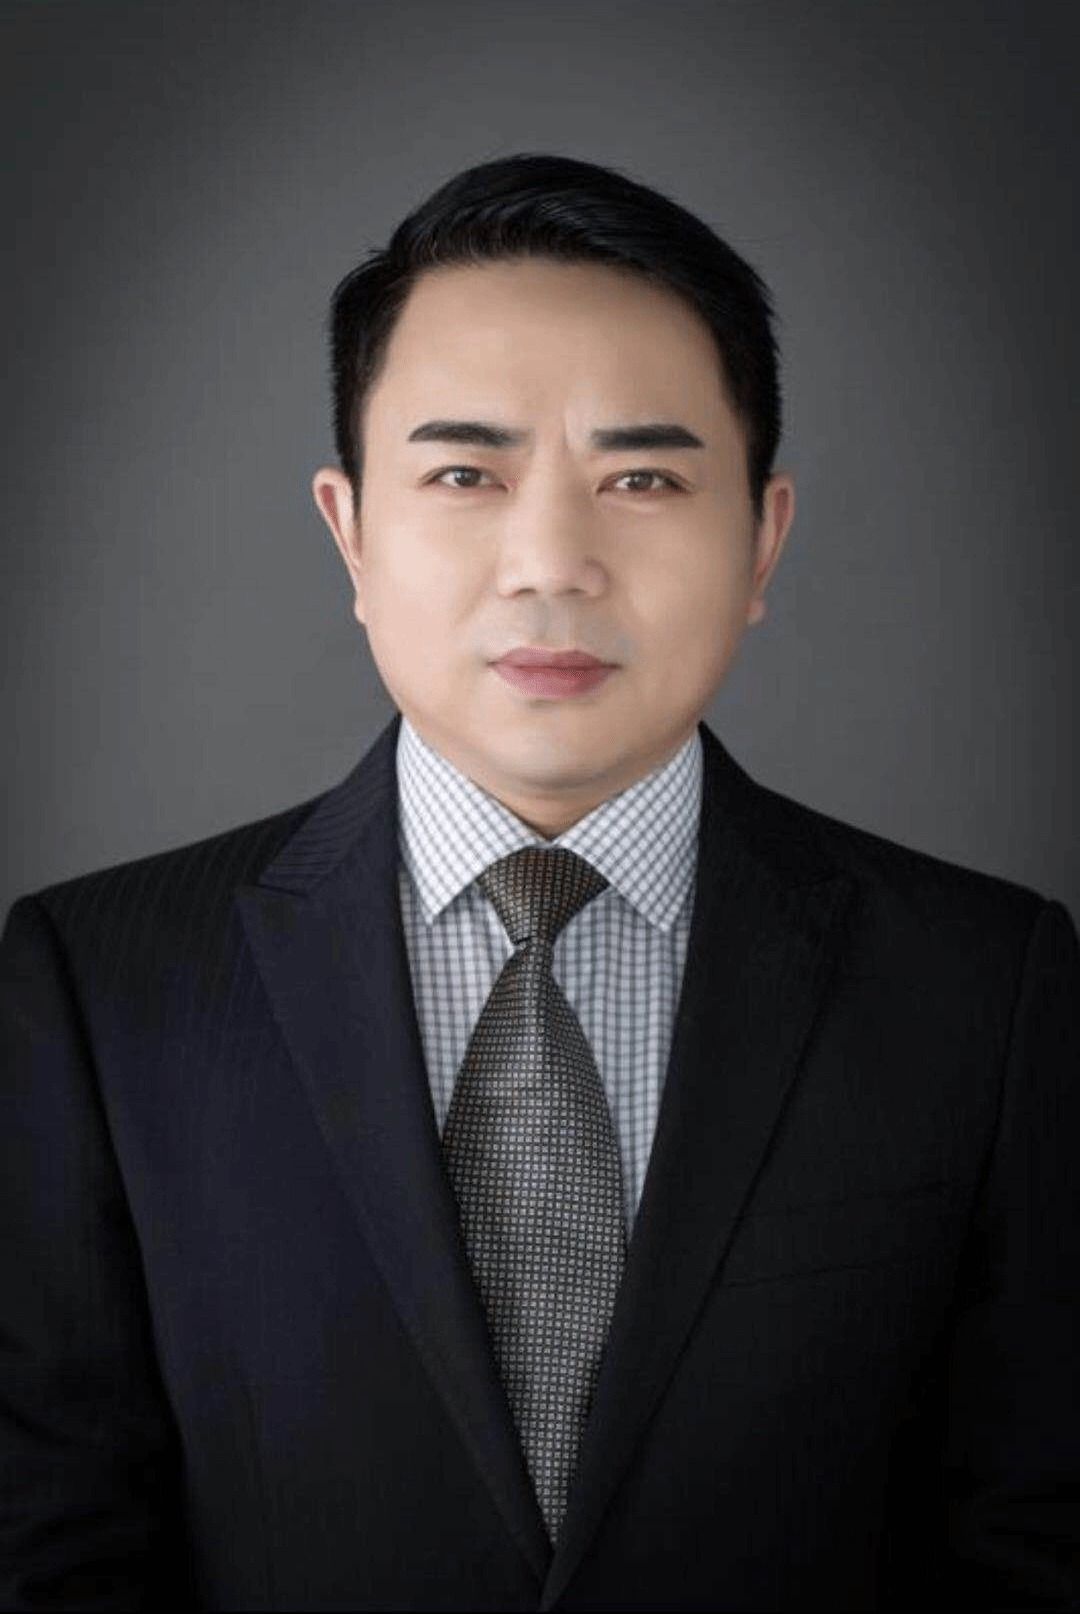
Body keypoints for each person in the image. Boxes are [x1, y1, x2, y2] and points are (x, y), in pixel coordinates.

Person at [1, 151, 1077, 1613]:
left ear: (762, 537)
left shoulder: (986, 985)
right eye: (466, 474)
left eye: (643, 478)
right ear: (350, 530)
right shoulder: (101, 985)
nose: (552, 564)